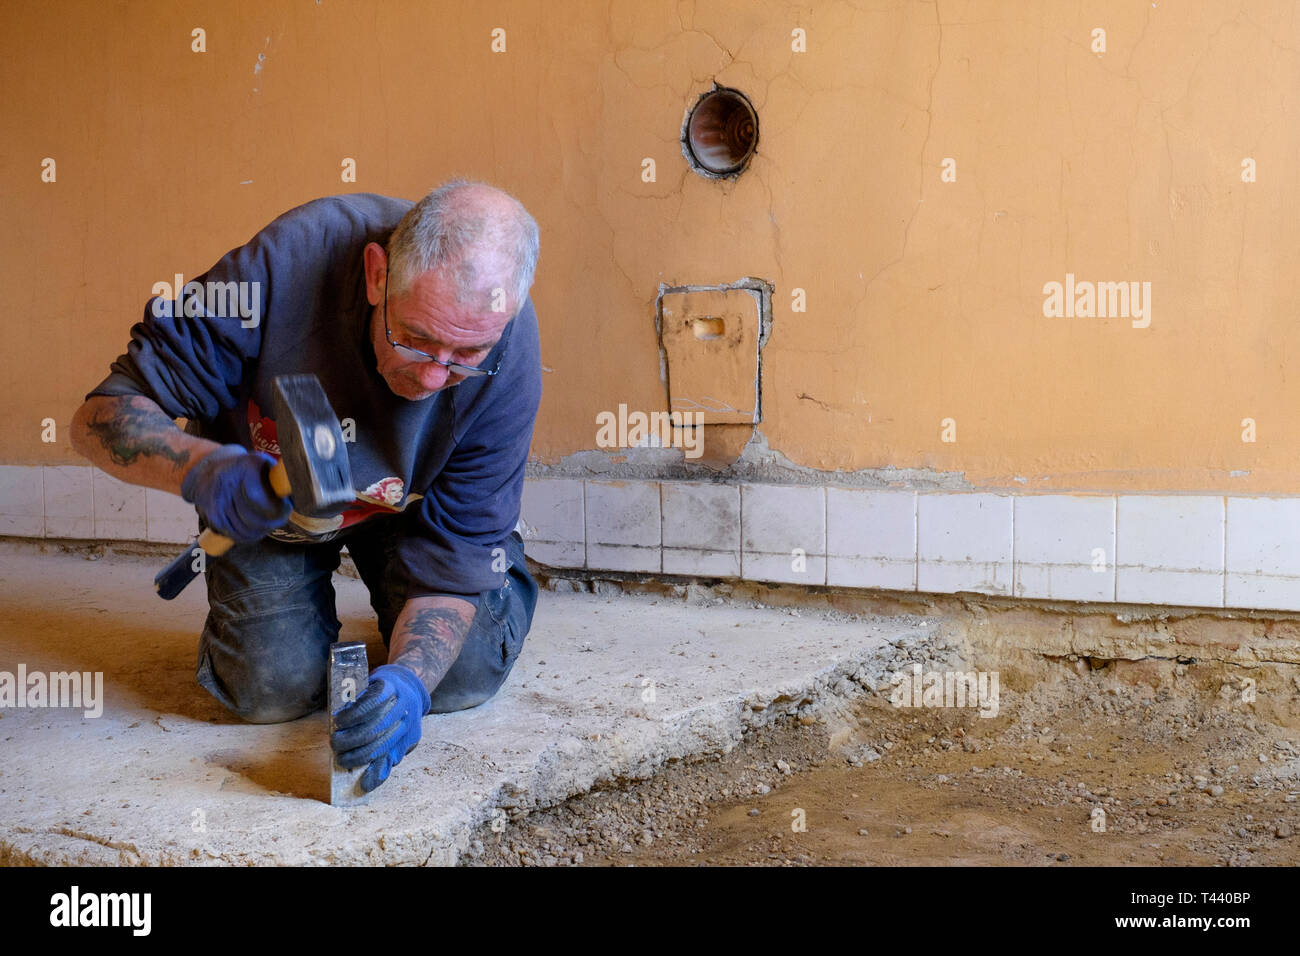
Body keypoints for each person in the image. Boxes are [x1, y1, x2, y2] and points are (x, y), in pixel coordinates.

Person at [69, 181, 543, 794]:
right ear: (378, 277)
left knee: (464, 675)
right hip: (269, 501)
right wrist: (203, 468)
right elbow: (98, 419)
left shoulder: (508, 343)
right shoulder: (279, 269)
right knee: (268, 691)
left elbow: (453, 570)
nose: (433, 376)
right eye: (415, 338)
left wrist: (409, 682)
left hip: (414, 511)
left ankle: (471, 596)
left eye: (465, 355)